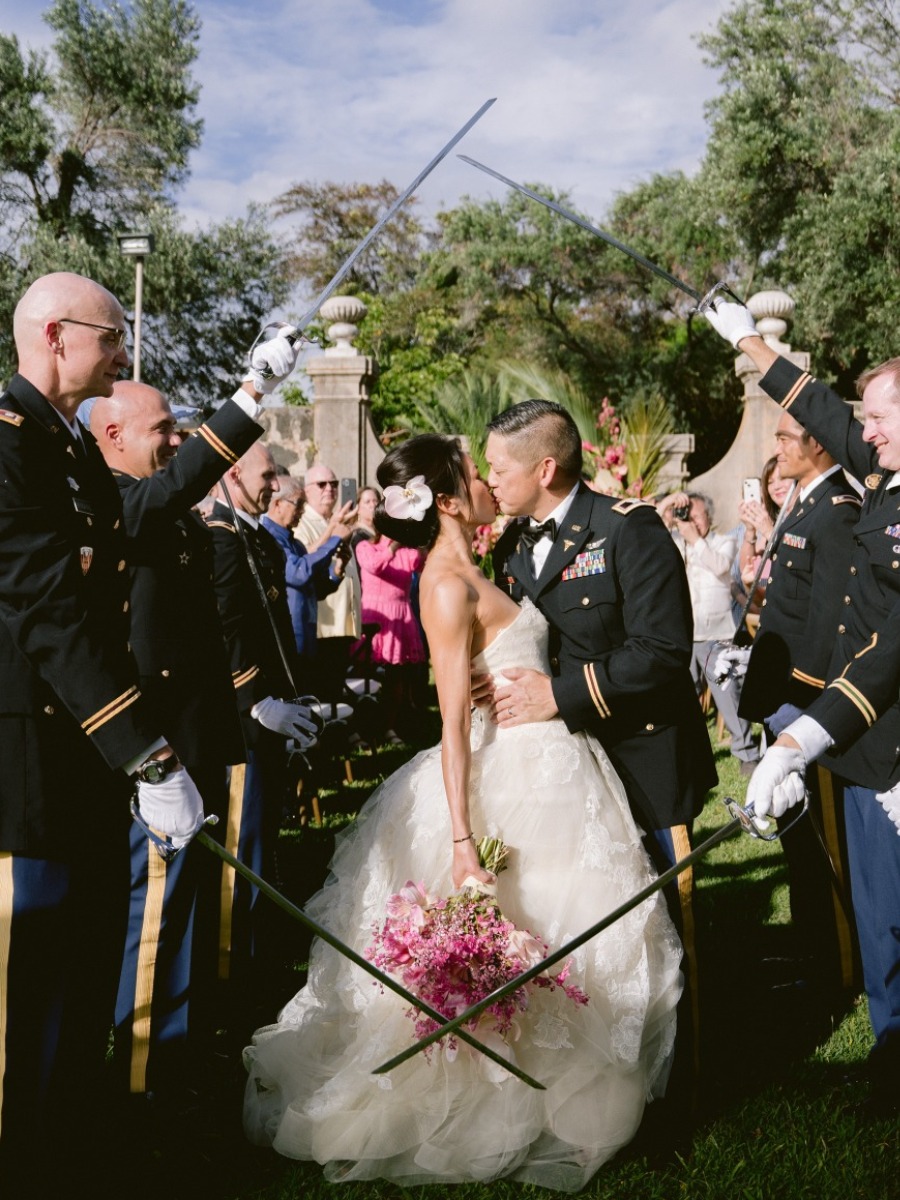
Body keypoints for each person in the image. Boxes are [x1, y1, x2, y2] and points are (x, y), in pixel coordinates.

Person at [243, 434, 682, 1190]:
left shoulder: (484, 561)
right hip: (508, 774)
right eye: (476, 475)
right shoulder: (446, 584)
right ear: (447, 501)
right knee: (524, 945)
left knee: (558, 938)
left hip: (553, 764)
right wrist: (460, 841)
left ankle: (556, 1103)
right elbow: (449, 724)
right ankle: (497, 1108)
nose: (488, 483)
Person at [0, 271, 205, 1194]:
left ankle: (64, 1157)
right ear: (53, 335)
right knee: (21, 993)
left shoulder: (66, 448)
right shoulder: (7, 444)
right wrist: (146, 750)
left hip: (77, 759)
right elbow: (44, 607)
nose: (123, 354)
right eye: (113, 336)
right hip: (23, 767)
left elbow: (114, 561)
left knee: (80, 982)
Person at [87, 350, 300, 1108]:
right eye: (163, 431)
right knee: (153, 922)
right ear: (110, 434)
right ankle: (147, 1085)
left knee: (182, 913)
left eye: (182, 432)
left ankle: (179, 1055)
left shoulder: (165, 514)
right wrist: (249, 393)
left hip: (195, 743)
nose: (176, 445)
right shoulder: (112, 501)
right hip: (152, 754)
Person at [705, 299, 900, 1118]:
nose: (870, 432)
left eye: (884, 418)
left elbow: (892, 646)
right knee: (879, 909)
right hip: (863, 737)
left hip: (884, 732)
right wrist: (748, 342)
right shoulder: (888, 472)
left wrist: (800, 738)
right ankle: (892, 1046)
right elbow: (821, 409)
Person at [733, 410, 862, 999]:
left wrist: (804, 707)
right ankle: (813, 945)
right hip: (783, 698)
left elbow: (831, 625)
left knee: (817, 841)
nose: (776, 446)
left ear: (815, 441)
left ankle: (834, 963)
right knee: (796, 836)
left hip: (806, 702)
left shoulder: (835, 512)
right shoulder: (807, 504)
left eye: (785, 436)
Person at [205, 442, 318, 1038]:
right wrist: (256, 701)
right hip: (243, 724)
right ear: (233, 474)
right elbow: (225, 631)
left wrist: (292, 695)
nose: (276, 485)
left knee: (263, 847)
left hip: (271, 714)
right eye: (267, 474)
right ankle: (230, 983)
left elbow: (272, 631)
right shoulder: (222, 535)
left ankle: (251, 961)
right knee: (239, 855)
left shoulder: (251, 538)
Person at [656, 490, 760, 775]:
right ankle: (687, 752)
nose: (690, 520)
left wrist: (694, 540)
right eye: (685, 514)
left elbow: (720, 566)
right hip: (682, 635)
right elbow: (652, 532)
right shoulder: (675, 543)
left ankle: (747, 754)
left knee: (727, 695)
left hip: (717, 634)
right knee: (681, 697)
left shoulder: (723, 542)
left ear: (709, 518)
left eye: (696, 515)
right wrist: (667, 506)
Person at [295, 463, 361, 705]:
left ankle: (339, 733)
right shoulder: (304, 522)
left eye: (334, 484)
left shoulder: (333, 519)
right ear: (307, 490)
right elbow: (305, 559)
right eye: (321, 484)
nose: (329, 490)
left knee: (334, 686)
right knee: (321, 691)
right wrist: (333, 530)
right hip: (323, 622)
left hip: (340, 622)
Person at [354, 527, 427, 744]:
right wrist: (392, 546)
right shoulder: (365, 546)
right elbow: (374, 566)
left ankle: (389, 726)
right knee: (366, 675)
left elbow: (423, 562)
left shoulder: (406, 552)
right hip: (375, 619)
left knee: (396, 678)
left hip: (400, 616)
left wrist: (420, 538)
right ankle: (360, 728)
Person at [261, 475, 342, 659]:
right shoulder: (268, 538)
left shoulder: (296, 544)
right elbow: (297, 574)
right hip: (287, 637)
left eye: (303, 506)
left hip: (307, 635)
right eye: (298, 504)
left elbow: (315, 589)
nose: (301, 511)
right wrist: (335, 538)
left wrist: (337, 570)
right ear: (278, 504)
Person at [350, 484, 380, 551]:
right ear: (357, 508)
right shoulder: (356, 535)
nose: (373, 505)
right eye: (367, 502)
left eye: (375, 501)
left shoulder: (382, 532)